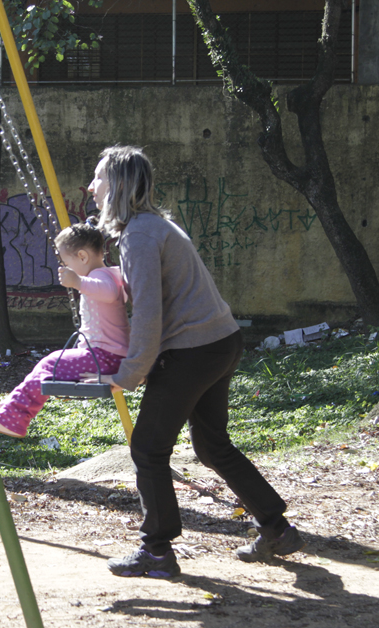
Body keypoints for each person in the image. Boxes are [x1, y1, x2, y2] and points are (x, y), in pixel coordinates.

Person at [86, 146, 304, 578]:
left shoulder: (141, 235)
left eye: (98, 179)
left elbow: (149, 313)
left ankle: (157, 552)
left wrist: (129, 373)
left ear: (119, 186)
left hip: (193, 350)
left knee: (148, 448)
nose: (91, 187)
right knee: (211, 446)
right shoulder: (154, 226)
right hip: (220, 342)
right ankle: (277, 529)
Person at [0, 218, 130, 438]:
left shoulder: (99, 277)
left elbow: (108, 292)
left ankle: (11, 420)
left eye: (66, 262)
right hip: (108, 356)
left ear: (82, 256)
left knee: (50, 362)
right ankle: (9, 407)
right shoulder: (112, 273)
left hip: (105, 358)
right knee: (47, 364)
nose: (66, 267)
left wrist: (78, 282)